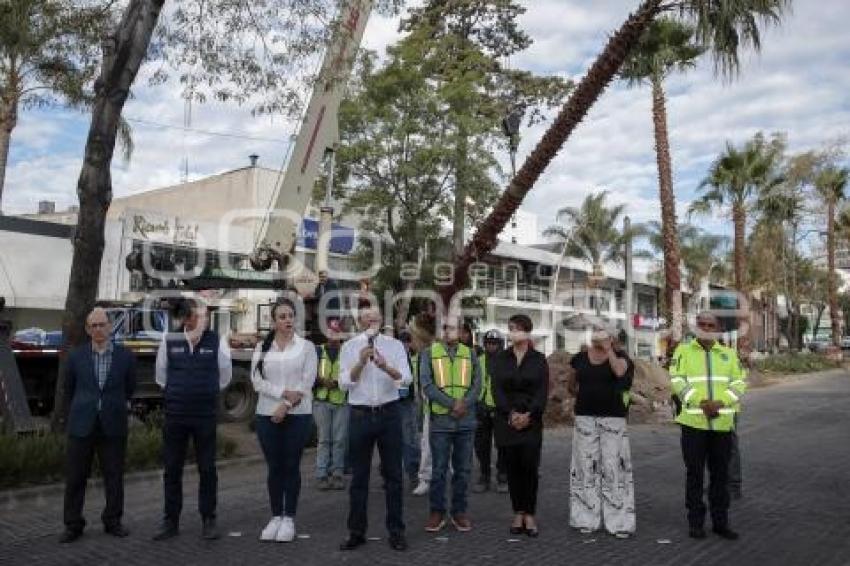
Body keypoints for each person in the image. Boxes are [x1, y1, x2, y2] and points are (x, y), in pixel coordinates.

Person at [153, 299, 232, 541]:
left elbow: (225, 376)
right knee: (172, 469)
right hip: (176, 416)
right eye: (199, 315)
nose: (204, 319)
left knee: (207, 469)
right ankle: (171, 521)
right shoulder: (169, 340)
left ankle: (209, 519)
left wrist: (204, 393)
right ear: (186, 319)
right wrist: (181, 393)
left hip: (205, 416)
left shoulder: (217, 341)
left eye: (206, 315)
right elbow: (161, 377)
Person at [338, 306, 413, 552]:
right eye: (366, 317)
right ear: (360, 321)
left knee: (393, 477)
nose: (371, 319)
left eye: (375, 316)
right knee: (358, 478)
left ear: (381, 320)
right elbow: (343, 383)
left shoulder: (394, 345)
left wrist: (384, 366)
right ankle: (356, 532)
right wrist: (360, 362)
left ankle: (396, 531)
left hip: (389, 414)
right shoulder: (349, 347)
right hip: (359, 416)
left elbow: (406, 378)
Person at [60, 307, 136, 543]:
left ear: (110, 326)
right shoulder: (76, 356)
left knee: (113, 476)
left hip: (112, 424)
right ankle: (73, 524)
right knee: (75, 477)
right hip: (82, 424)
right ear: (87, 329)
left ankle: (112, 520)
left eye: (102, 324)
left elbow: (129, 388)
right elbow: (69, 389)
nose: (98, 329)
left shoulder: (126, 356)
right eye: (93, 326)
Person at [669, 311, 747, 540]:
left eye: (710, 325)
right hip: (693, 423)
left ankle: (720, 523)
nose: (705, 327)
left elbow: (739, 382)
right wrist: (701, 402)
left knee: (720, 476)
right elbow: (677, 380)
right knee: (694, 475)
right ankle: (696, 523)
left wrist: (721, 402)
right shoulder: (683, 351)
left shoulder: (728, 354)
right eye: (701, 324)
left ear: (717, 328)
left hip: (721, 424)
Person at [251, 298, 318, 542]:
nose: (288, 320)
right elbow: (257, 381)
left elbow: (307, 381)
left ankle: (289, 517)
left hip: (297, 415)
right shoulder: (262, 347)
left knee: (291, 466)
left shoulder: (307, 347)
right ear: (273, 321)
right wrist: (281, 395)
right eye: (283, 316)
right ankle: (275, 516)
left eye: (291, 315)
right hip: (266, 414)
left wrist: (287, 405)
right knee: (274, 468)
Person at [568, 326, 636, 538]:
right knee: (584, 469)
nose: (598, 333)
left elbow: (619, 372)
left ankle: (619, 523)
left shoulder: (622, 358)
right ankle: (585, 519)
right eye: (595, 330)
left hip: (613, 419)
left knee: (614, 469)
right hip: (585, 418)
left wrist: (608, 350)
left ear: (612, 337)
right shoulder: (579, 357)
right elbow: (572, 384)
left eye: (603, 331)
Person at [419, 315, 481, 533]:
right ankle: (437, 512)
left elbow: (477, 385)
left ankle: (459, 512)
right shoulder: (428, 353)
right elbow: (427, 385)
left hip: (466, 422)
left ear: (461, 331)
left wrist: (463, 404)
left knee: (463, 470)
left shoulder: (470, 354)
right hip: (441, 422)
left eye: (452, 328)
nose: (447, 331)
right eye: (443, 328)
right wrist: (452, 404)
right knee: (438, 471)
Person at [490, 314, 548, 538]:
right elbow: (497, 390)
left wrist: (529, 415)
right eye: (510, 328)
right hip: (507, 421)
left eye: (516, 328)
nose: (512, 332)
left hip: (531, 422)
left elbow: (542, 391)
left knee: (530, 469)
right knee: (513, 468)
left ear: (527, 331)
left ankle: (530, 514)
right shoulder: (500, 359)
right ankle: (518, 512)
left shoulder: (539, 359)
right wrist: (511, 414)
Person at [314, 318, 348, 491]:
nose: (334, 335)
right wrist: (321, 380)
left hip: (341, 401)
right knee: (324, 440)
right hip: (321, 400)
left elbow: (352, 374)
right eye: (331, 331)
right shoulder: (318, 351)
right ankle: (321, 474)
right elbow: (310, 373)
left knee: (340, 440)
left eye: (337, 332)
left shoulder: (347, 352)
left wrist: (338, 383)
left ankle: (337, 474)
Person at [473, 329, 508, 494]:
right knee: (481, 446)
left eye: (494, 343)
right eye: (488, 343)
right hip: (481, 409)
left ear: (500, 344)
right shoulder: (478, 360)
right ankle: (484, 475)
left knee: (502, 445)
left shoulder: (508, 361)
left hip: (500, 409)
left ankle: (502, 475)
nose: (491, 346)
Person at [409, 312, 437, 497]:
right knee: (426, 442)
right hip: (427, 406)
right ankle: (427, 477)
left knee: (430, 443)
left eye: (414, 333)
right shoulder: (421, 353)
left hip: (440, 406)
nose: (411, 338)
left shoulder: (435, 352)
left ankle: (427, 478)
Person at [397, 329, 422, 491]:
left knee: (410, 439)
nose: (406, 344)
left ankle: (413, 474)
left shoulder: (415, 357)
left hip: (409, 402)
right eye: (403, 341)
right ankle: (392, 474)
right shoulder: (395, 357)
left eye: (407, 341)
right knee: (397, 440)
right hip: (395, 403)